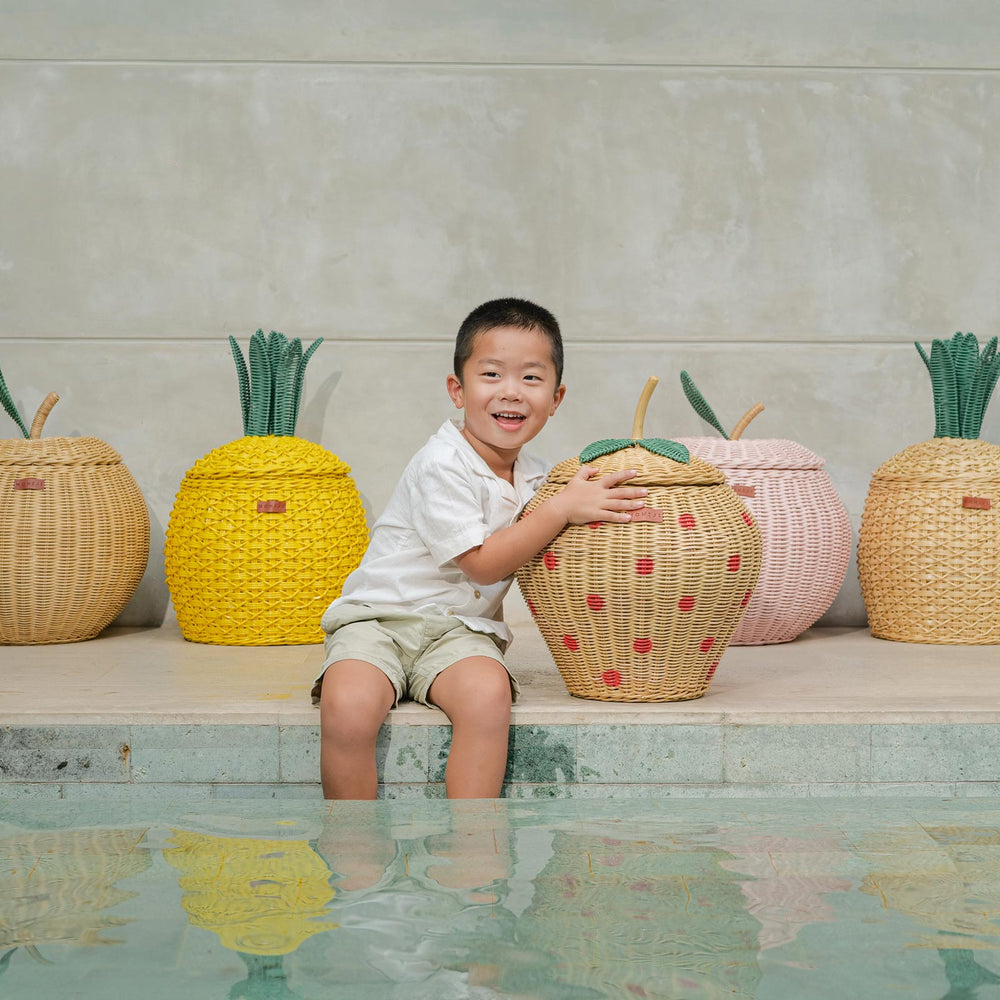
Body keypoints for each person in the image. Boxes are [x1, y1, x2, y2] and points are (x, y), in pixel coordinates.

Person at [313, 298, 648, 799]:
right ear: (458, 389)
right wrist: (560, 510)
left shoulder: (539, 477)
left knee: (488, 697)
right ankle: (354, 842)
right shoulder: (441, 463)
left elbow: (564, 547)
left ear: (556, 399)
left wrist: (626, 510)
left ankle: (471, 843)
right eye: (491, 374)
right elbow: (485, 565)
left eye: (531, 379)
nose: (511, 391)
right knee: (348, 704)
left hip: (461, 632)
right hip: (378, 619)